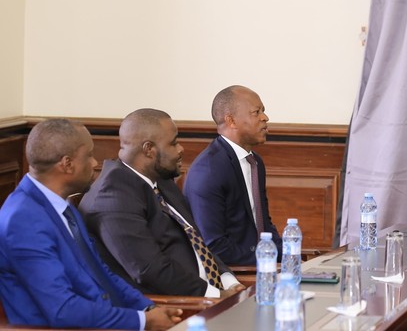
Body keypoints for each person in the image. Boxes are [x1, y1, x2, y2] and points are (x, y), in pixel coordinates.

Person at [0, 119, 181, 330]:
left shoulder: (65, 208)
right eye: (89, 155)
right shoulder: (23, 220)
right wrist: (142, 322)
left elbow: (101, 272)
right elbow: (63, 310)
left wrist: (147, 309)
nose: (95, 162)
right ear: (67, 164)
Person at [79, 109, 244, 298]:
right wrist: (216, 296)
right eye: (173, 143)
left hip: (211, 294)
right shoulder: (113, 196)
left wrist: (229, 280)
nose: (181, 149)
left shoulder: (161, 180)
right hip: (178, 306)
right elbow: (149, 269)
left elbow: (196, 242)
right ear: (149, 149)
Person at [184, 85, 282, 265]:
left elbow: (263, 224)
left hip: (260, 265)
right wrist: (267, 260)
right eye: (256, 112)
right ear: (231, 121)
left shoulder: (255, 162)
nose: (265, 118)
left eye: (264, 111)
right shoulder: (209, 170)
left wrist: (290, 255)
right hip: (231, 273)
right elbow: (214, 246)